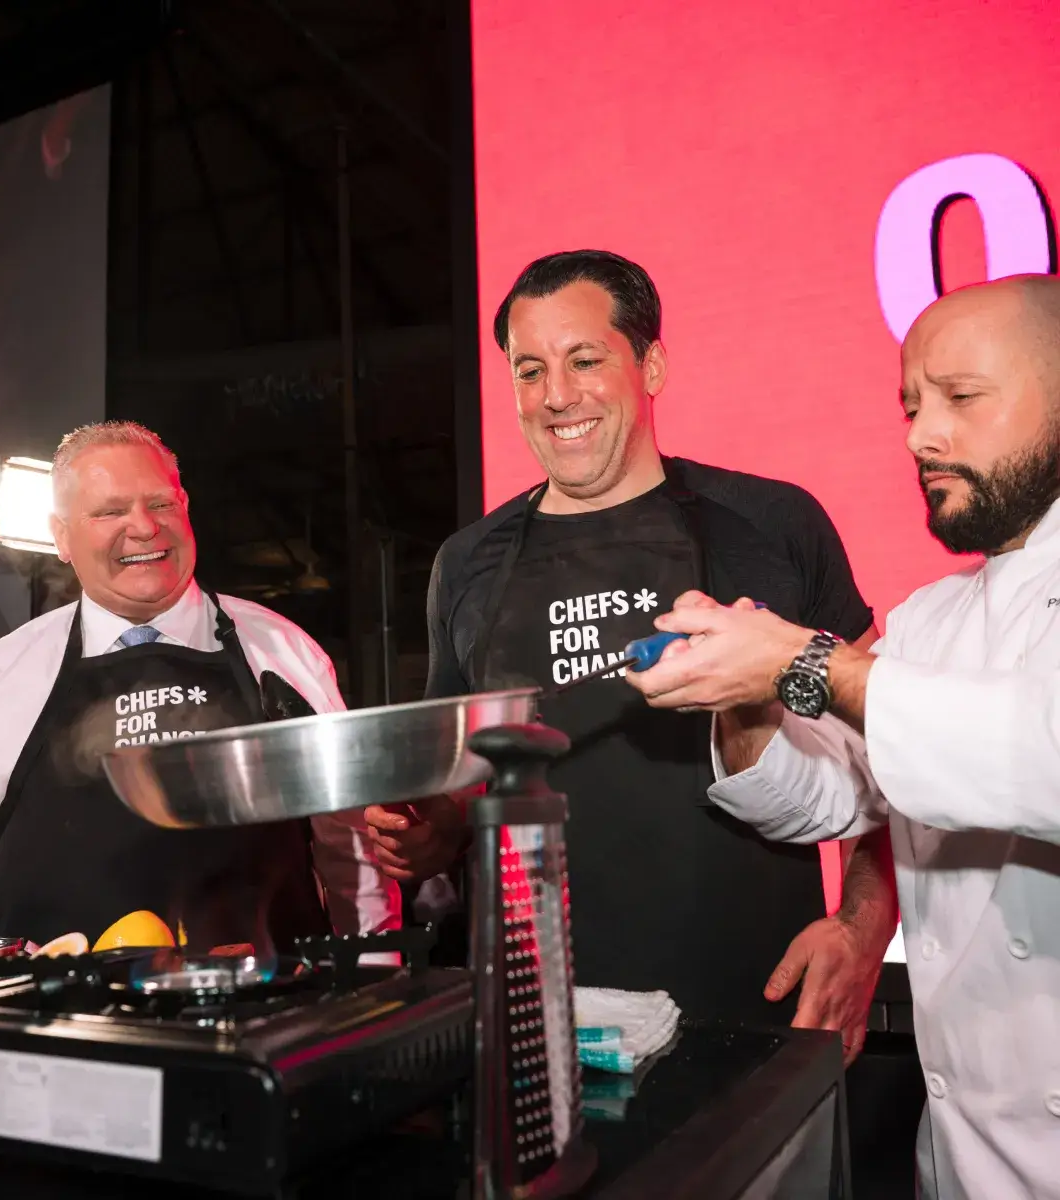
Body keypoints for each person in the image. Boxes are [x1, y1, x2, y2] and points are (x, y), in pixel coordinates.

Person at [365, 250, 897, 1050]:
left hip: (753, 1006)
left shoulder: (774, 524)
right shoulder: (467, 562)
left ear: (651, 364)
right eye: (529, 370)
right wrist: (425, 834)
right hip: (537, 1027)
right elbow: (462, 791)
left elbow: (892, 756)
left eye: (585, 361)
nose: (556, 397)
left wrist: (861, 928)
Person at [623, 274, 1060, 1199]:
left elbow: (1039, 757)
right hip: (963, 1159)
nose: (918, 436)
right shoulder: (935, 618)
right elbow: (832, 795)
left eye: (961, 399)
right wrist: (741, 695)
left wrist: (805, 663)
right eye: (910, 405)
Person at [0, 420, 400, 955]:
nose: (143, 528)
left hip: (261, 1017)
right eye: (110, 512)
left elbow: (352, 848)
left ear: (185, 507)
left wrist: (375, 978)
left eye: (160, 504)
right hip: (40, 1024)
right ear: (61, 536)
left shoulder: (282, 650)